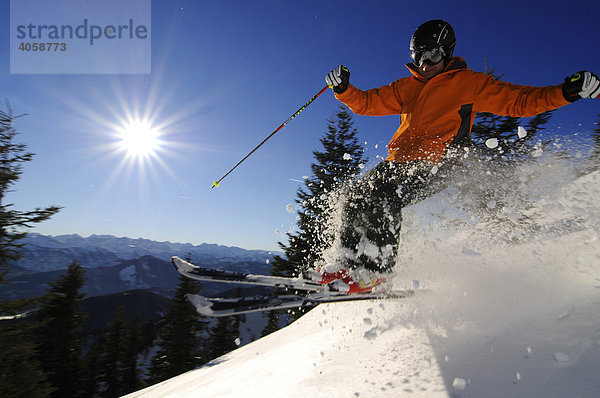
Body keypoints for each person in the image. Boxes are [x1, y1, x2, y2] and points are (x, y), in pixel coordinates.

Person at [316, 19, 600, 289]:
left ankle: (376, 272)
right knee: (355, 195)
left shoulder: (468, 83)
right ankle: (346, 263)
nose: (425, 64)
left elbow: (519, 102)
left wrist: (566, 92)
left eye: (433, 55)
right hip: (400, 161)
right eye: (419, 57)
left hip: (440, 163)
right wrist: (344, 90)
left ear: (447, 52)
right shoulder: (408, 86)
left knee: (385, 196)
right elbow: (367, 103)